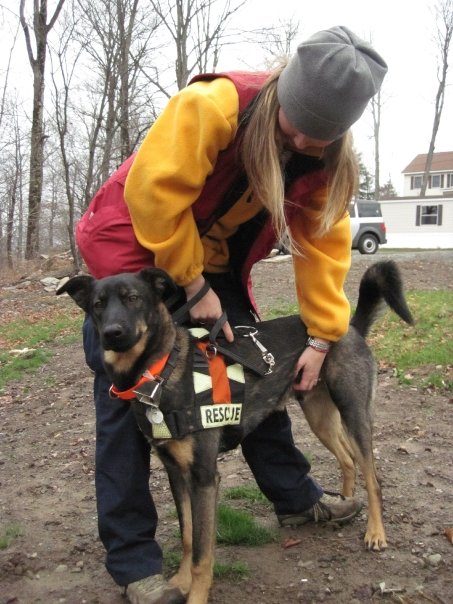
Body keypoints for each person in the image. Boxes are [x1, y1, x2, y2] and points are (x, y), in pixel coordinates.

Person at [78, 25, 387, 604]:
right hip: (135, 246)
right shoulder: (215, 105)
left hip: (210, 259)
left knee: (254, 367)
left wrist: (322, 337)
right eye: (295, 125)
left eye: (320, 135)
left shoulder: (324, 163)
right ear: (282, 93)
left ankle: (296, 499)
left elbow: (324, 249)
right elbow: (153, 197)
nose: (303, 141)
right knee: (128, 402)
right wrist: (193, 287)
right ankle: (135, 561)